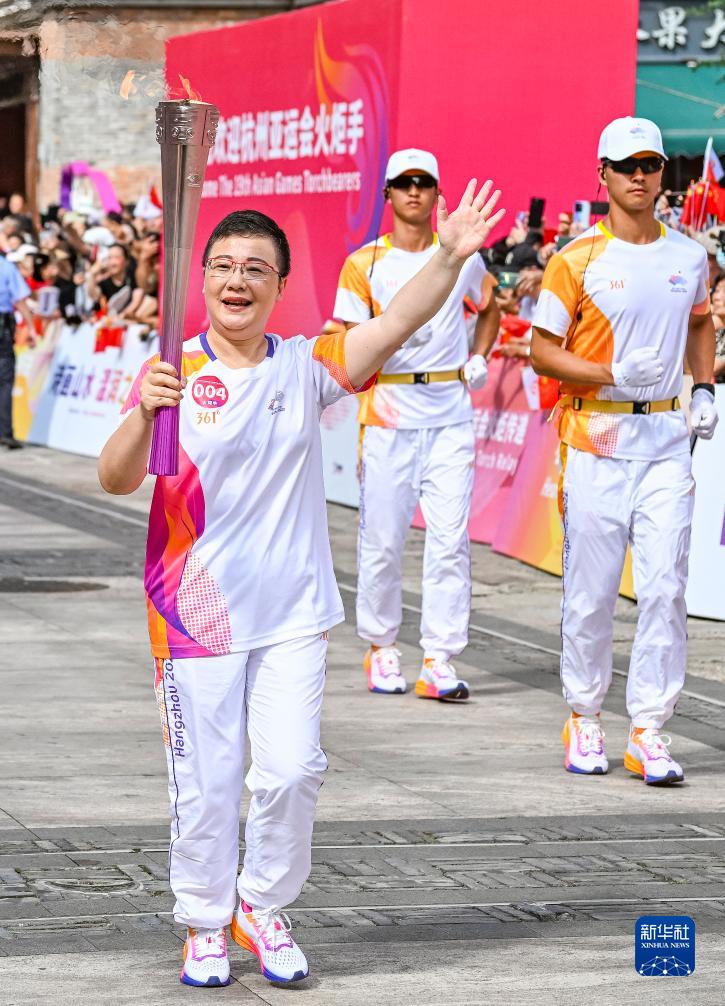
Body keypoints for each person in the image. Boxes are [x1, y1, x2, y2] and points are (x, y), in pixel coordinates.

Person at [98, 185, 504, 988]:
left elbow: (395, 322)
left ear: (281, 286)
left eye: (256, 268)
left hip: (291, 611)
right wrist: (143, 413)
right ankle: (204, 922)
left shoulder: (306, 365)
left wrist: (449, 257)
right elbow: (115, 478)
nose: (237, 281)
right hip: (194, 617)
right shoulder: (172, 372)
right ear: (202, 279)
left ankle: (261, 905)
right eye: (222, 266)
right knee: (208, 784)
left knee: (291, 771)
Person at [531, 116, 716, 785]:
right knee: (592, 592)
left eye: (649, 165)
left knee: (665, 587)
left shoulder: (688, 257)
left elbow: (700, 322)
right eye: (625, 166)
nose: (638, 177)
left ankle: (648, 729)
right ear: (602, 174)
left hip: (665, 440)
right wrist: (611, 373)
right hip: (595, 439)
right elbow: (541, 351)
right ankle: (584, 714)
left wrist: (703, 388)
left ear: (662, 172)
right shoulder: (574, 259)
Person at [333, 149, 500, 699]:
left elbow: (490, 307)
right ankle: (381, 645)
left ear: (435, 193)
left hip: (450, 411)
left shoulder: (461, 256)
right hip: (389, 412)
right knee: (383, 539)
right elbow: (342, 336)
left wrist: (479, 354)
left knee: (450, 541)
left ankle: (439, 657)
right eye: (403, 183)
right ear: (387, 194)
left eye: (423, 182)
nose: (413, 191)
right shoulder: (365, 263)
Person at [0, 252, 35, 449]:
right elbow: (20, 299)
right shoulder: (6, 267)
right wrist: (31, 327)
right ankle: (5, 433)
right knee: (5, 381)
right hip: (2, 326)